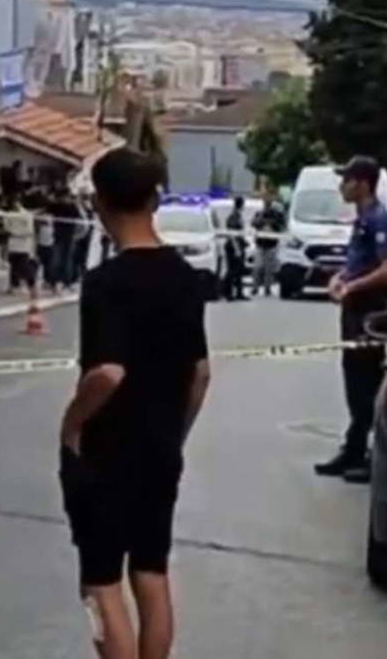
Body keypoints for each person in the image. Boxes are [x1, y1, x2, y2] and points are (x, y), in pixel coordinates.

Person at [59, 148, 211, 659]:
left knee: (100, 581)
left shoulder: (106, 283)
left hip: (106, 449)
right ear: (155, 201)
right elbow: (201, 373)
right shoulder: (185, 278)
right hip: (161, 446)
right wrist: (176, 433)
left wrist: (72, 425)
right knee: (151, 569)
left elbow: (107, 372)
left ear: (100, 204)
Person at [315, 156, 387, 484]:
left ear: (363, 183)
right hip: (353, 309)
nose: (342, 186)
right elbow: (358, 263)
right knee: (354, 381)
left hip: (369, 312)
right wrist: (340, 277)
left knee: (366, 384)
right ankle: (352, 449)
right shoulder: (362, 219)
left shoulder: (380, 220)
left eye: (346, 180)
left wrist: (353, 286)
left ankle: (371, 454)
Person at [3, 193, 39, 303]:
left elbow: (29, 230)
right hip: (13, 243)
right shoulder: (8, 215)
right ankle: (14, 285)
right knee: (13, 265)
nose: (15, 204)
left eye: (17, 202)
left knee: (23, 265)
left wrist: (16, 232)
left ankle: (31, 284)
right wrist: (15, 232)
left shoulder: (26, 215)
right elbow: (6, 228)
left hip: (23, 244)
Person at [251, 198, 286, 297]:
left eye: (268, 204)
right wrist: (262, 220)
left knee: (268, 269)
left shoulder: (276, 215)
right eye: (265, 204)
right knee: (258, 267)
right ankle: (255, 287)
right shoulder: (259, 213)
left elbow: (281, 225)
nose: (267, 206)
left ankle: (267, 288)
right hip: (260, 244)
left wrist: (272, 223)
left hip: (271, 245)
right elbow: (254, 223)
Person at [49, 184, 80, 290]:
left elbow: (77, 217)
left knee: (66, 260)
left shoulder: (72, 207)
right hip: (59, 236)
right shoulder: (57, 206)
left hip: (68, 237)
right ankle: (56, 281)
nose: (65, 199)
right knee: (57, 259)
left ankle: (65, 281)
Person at [222, 196, 247, 301]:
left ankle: (239, 293)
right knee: (232, 271)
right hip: (233, 246)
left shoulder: (238, 215)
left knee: (239, 270)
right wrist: (236, 248)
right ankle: (227, 292)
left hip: (239, 245)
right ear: (241, 205)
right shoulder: (233, 217)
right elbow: (232, 234)